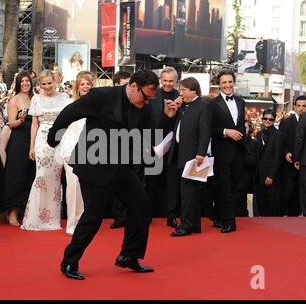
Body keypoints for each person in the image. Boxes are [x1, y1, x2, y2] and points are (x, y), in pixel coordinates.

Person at [48, 70, 161, 280]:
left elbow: (146, 135)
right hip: (93, 166)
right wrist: (54, 136)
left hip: (120, 167)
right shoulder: (102, 96)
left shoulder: (144, 107)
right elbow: (70, 112)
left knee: (141, 205)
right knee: (93, 216)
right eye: (145, 96)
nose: (147, 102)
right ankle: (69, 262)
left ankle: (129, 256)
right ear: (134, 86)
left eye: (150, 98)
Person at [21, 70, 70, 231]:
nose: (47, 86)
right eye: (44, 84)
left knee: (55, 180)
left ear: (55, 81)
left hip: (60, 142)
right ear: (39, 84)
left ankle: (52, 219)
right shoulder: (36, 98)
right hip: (42, 142)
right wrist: (31, 146)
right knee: (41, 177)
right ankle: (35, 218)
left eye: (50, 83)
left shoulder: (64, 98)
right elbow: (34, 124)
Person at [168, 77, 211, 237]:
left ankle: (186, 225)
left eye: (183, 90)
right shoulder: (185, 106)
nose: (181, 93)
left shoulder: (203, 106)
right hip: (181, 153)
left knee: (188, 192)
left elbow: (205, 131)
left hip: (194, 156)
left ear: (194, 90)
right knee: (188, 191)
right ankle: (192, 225)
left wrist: (200, 153)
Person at [56, 71, 93, 235]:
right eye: (82, 84)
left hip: (92, 150)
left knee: (90, 188)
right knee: (73, 187)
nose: (85, 86)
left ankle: (87, 222)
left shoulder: (98, 105)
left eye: (88, 83)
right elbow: (63, 128)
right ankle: (73, 224)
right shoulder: (70, 105)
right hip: (71, 149)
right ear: (77, 87)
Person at [209, 70, 246, 233]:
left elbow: (240, 124)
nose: (227, 85)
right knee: (225, 187)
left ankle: (217, 214)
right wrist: (226, 131)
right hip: (222, 151)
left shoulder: (240, 102)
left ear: (234, 82)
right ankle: (229, 221)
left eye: (230, 81)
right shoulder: (212, 104)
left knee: (233, 186)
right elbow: (209, 129)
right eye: (224, 82)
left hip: (238, 150)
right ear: (219, 84)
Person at [146, 67, 182, 229]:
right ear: (161, 80)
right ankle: (146, 215)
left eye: (171, 81)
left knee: (172, 183)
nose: (168, 84)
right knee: (150, 182)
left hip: (175, 147)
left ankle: (171, 216)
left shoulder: (181, 98)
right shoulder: (151, 95)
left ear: (176, 81)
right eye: (165, 80)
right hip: (153, 146)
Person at [2, 71, 36, 226]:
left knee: (30, 176)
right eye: (22, 81)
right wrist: (21, 119)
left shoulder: (35, 99)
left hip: (34, 141)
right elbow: (10, 124)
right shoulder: (14, 100)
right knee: (17, 176)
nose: (25, 83)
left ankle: (25, 211)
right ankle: (12, 213)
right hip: (18, 142)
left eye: (27, 81)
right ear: (18, 83)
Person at [278, 96, 306, 216]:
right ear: (294, 107)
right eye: (299, 106)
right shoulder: (286, 122)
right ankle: (280, 218)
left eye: (304, 106)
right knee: (286, 194)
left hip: (305, 164)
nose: (301, 109)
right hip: (288, 165)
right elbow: (281, 141)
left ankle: (294, 218)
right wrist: (286, 153)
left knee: (299, 195)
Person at [109, 70, 132, 229]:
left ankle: (131, 215)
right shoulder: (108, 102)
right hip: (112, 147)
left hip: (132, 147)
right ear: (116, 85)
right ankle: (119, 217)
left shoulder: (136, 101)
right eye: (124, 85)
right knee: (115, 182)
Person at [254, 109, 283, 216]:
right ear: (262, 119)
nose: (267, 121)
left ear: (274, 120)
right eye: (265, 118)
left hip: (271, 177)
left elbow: (277, 157)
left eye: (270, 119)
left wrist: (271, 176)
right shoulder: (260, 133)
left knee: (271, 206)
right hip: (259, 176)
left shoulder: (278, 135)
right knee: (261, 205)